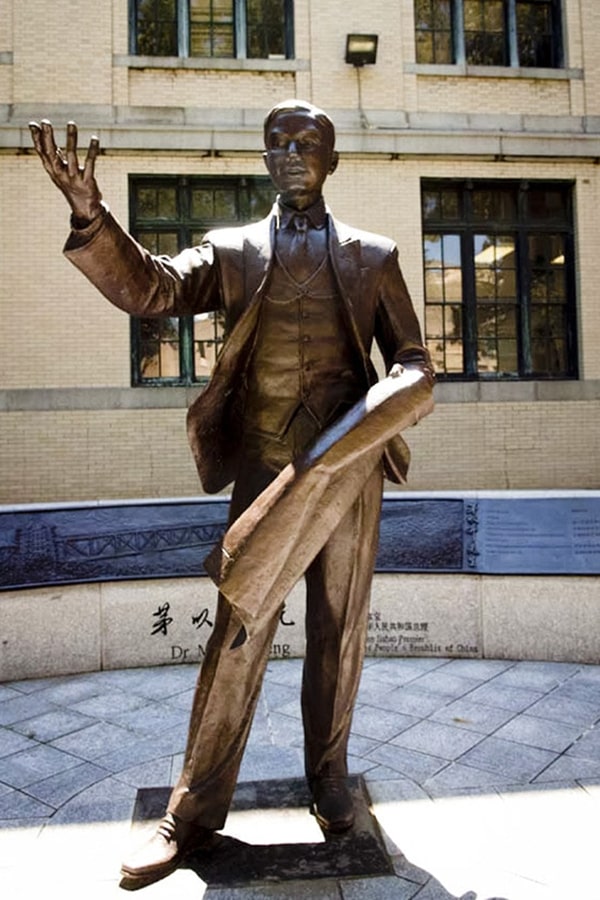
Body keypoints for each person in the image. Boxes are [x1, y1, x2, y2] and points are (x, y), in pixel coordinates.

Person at [29, 100, 434, 890]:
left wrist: (363, 428)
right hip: (265, 470)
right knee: (238, 636)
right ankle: (190, 810)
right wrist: (92, 217)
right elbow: (151, 290)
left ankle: (329, 774)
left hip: (347, 476)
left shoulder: (373, 256)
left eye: (307, 142)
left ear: (332, 158)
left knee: (338, 630)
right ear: (263, 157)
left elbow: (416, 364)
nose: (290, 153)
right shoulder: (235, 250)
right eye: (277, 142)